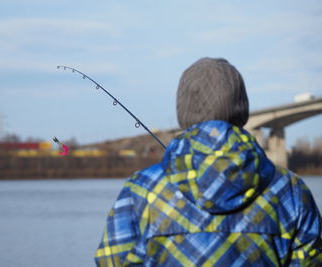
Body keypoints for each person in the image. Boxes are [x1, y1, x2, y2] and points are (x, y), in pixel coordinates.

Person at [94, 58, 322, 266]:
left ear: (183, 111)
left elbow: (111, 262)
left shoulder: (141, 189)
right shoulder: (291, 190)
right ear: (242, 108)